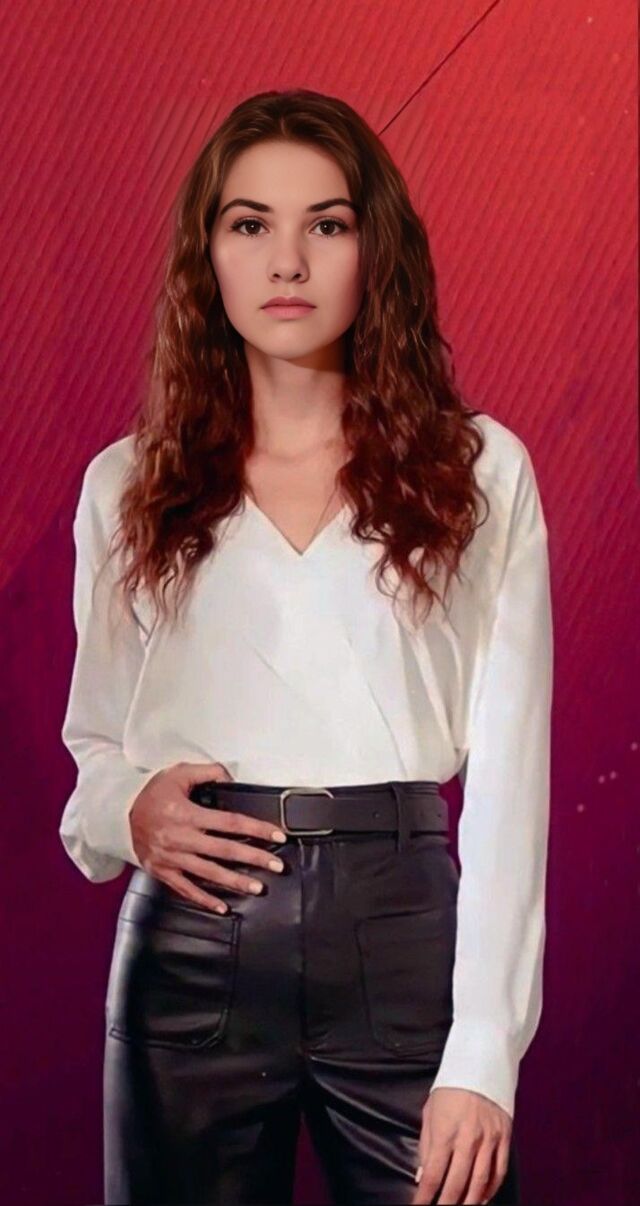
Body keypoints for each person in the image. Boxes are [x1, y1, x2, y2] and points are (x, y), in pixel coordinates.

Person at [59, 89, 553, 1206]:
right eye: (250, 224)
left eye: (326, 224)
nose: (287, 260)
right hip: (191, 954)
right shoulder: (127, 485)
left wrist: (484, 1049)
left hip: (404, 940)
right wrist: (127, 812)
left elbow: (512, 782)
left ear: (377, 250)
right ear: (208, 255)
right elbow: (93, 752)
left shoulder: (478, 473)